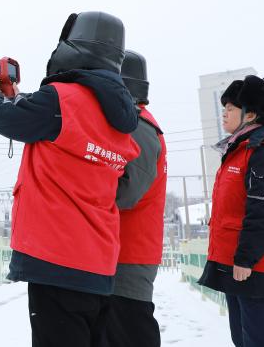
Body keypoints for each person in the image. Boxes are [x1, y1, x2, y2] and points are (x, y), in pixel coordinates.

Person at [0, 11, 140, 347]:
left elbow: (2, 117)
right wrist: (23, 101)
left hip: (57, 259)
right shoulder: (121, 118)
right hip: (99, 263)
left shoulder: (62, 98)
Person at [198, 75, 264, 347]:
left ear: (250, 115)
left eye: (230, 108)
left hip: (256, 270)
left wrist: (246, 258)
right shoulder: (239, 150)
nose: (224, 113)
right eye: (224, 108)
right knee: (243, 340)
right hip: (240, 269)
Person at [103, 50, 168, 347]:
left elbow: (128, 192)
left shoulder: (139, 126)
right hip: (124, 249)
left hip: (130, 252)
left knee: (130, 329)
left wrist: (84, 195)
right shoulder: (136, 123)